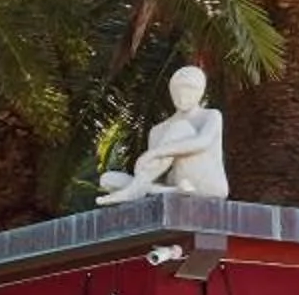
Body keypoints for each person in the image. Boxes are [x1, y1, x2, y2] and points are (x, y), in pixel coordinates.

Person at [96, 64, 229, 204]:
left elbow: (202, 142)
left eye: (191, 89)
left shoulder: (211, 116)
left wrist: (155, 153)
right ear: (171, 91)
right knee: (107, 180)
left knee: (181, 127)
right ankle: (169, 191)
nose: (183, 95)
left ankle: (134, 191)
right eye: (178, 90)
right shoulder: (158, 130)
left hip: (208, 184)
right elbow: (155, 175)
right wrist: (146, 172)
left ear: (200, 91)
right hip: (178, 184)